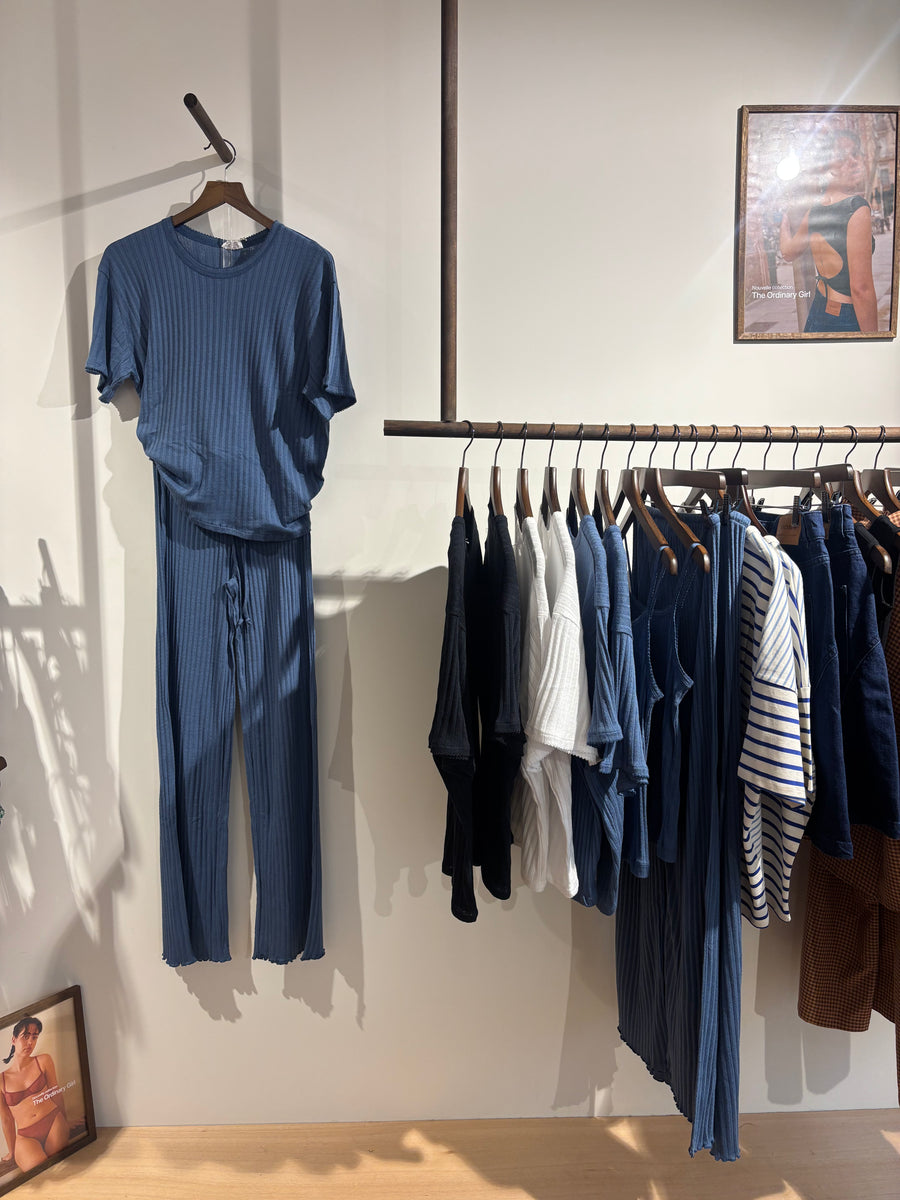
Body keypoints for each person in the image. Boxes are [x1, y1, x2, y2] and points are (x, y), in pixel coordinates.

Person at [780, 130, 877, 333]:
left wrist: (784, 219)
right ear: (827, 167)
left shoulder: (814, 211)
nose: (853, 162)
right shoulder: (856, 208)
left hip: (818, 311)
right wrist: (874, 341)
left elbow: (787, 252)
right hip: (846, 317)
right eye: (841, 156)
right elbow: (861, 289)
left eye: (855, 154)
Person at [0, 1016, 69, 1173]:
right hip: (25, 1135)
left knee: (59, 1167)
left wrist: (66, 1121)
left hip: (53, 1121)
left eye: (34, 1037)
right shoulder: (1, 1080)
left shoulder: (43, 1060)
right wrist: (11, 1151)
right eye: (25, 1036)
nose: (30, 1042)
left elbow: (56, 1093)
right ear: (13, 1040)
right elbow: (6, 1119)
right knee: (40, 1173)